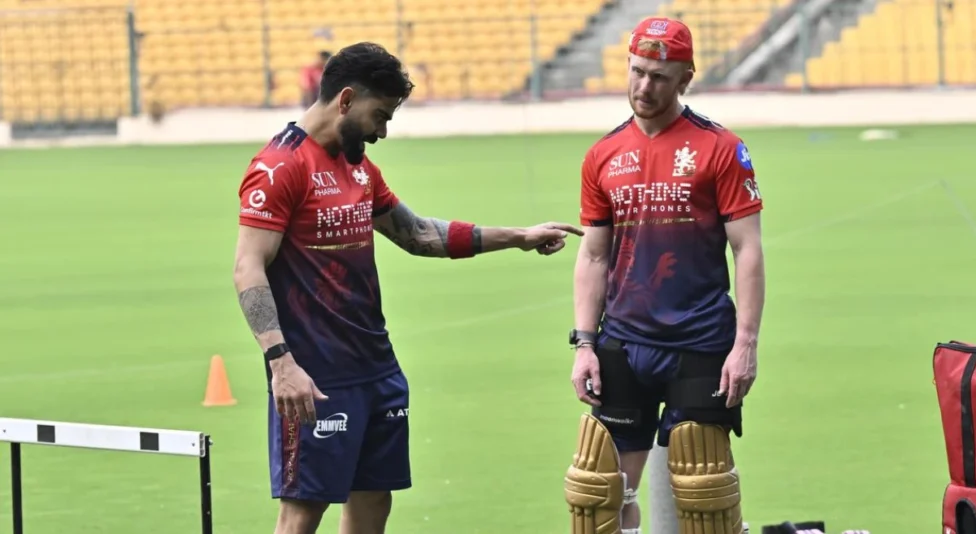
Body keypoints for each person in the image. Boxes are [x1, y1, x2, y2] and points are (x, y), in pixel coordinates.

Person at [233, 42, 583, 534]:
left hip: (376, 367)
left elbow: (417, 234)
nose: (382, 132)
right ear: (346, 99)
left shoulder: (357, 167)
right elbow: (248, 268)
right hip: (315, 374)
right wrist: (281, 364)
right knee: (304, 511)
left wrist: (519, 237)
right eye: (380, 116)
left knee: (375, 496)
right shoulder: (280, 167)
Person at [562, 16, 765, 534]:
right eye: (637, 72)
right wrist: (584, 344)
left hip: (701, 342)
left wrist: (745, 344)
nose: (644, 86)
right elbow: (593, 257)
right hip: (624, 340)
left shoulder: (720, 148)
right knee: (598, 497)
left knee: (705, 499)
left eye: (658, 76)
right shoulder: (603, 154)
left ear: (685, 78)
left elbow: (747, 249)